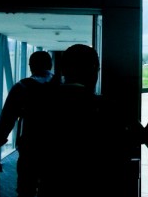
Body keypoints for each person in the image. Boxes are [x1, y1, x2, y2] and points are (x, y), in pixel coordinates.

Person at [38, 44, 137, 197]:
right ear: (94, 70)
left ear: (63, 69)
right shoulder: (109, 107)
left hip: (54, 185)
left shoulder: (42, 105)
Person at [0, 50, 56, 197]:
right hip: (55, 148)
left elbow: (6, 120)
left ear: (31, 66)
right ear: (50, 65)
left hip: (29, 146)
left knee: (26, 189)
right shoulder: (61, 86)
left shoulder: (21, 87)